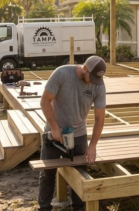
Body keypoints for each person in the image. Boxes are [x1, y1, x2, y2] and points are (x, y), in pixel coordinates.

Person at [38, 56, 107, 211]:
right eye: (92, 78)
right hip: (54, 134)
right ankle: (44, 208)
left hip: (79, 133)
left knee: (81, 172)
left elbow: (99, 118)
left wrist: (93, 145)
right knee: (48, 173)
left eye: (97, 79)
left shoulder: (98, 85)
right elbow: (44, 101)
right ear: (84, 68)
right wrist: (54, 127)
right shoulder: (62, 74)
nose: (93, 83)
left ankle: (78, 207)